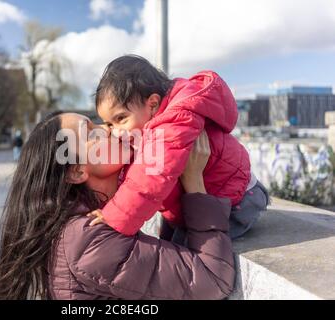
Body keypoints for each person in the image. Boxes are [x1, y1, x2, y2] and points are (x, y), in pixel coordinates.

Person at [0, 112, 235, 300]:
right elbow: (214, 279)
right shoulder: (89, 241)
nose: (109, 128)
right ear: (77, 170)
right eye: (92, 133)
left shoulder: (87, 223)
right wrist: (194, 182)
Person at [90, 55, 269, 239]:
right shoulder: (141, 130)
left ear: (152, 104)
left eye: (121, 119)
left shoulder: (174, 120)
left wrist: (114, 216)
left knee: (188, 248)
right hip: (206, 195)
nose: (116, 131)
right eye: (110, 124)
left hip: (236, 201)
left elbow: (149, 178)